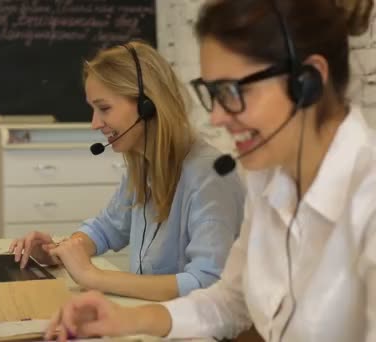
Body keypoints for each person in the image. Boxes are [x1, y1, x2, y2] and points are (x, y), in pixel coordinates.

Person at [44, 0, 376, 341]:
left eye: (232, 91)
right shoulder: (270, 181)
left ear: (308, 82)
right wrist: (123, 320)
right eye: (212, 93)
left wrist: (97, 278)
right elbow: (228, 303)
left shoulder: (368, 201)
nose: (216, 117)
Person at [8, 41, 245, 302]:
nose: (95, 124)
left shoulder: (210, 176)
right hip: (155, 319)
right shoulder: (143, 166)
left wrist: (91, 276)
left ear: (147, 105)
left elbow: (206, 283)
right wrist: (58, 250)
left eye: (104, 108)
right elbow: (107, 227)